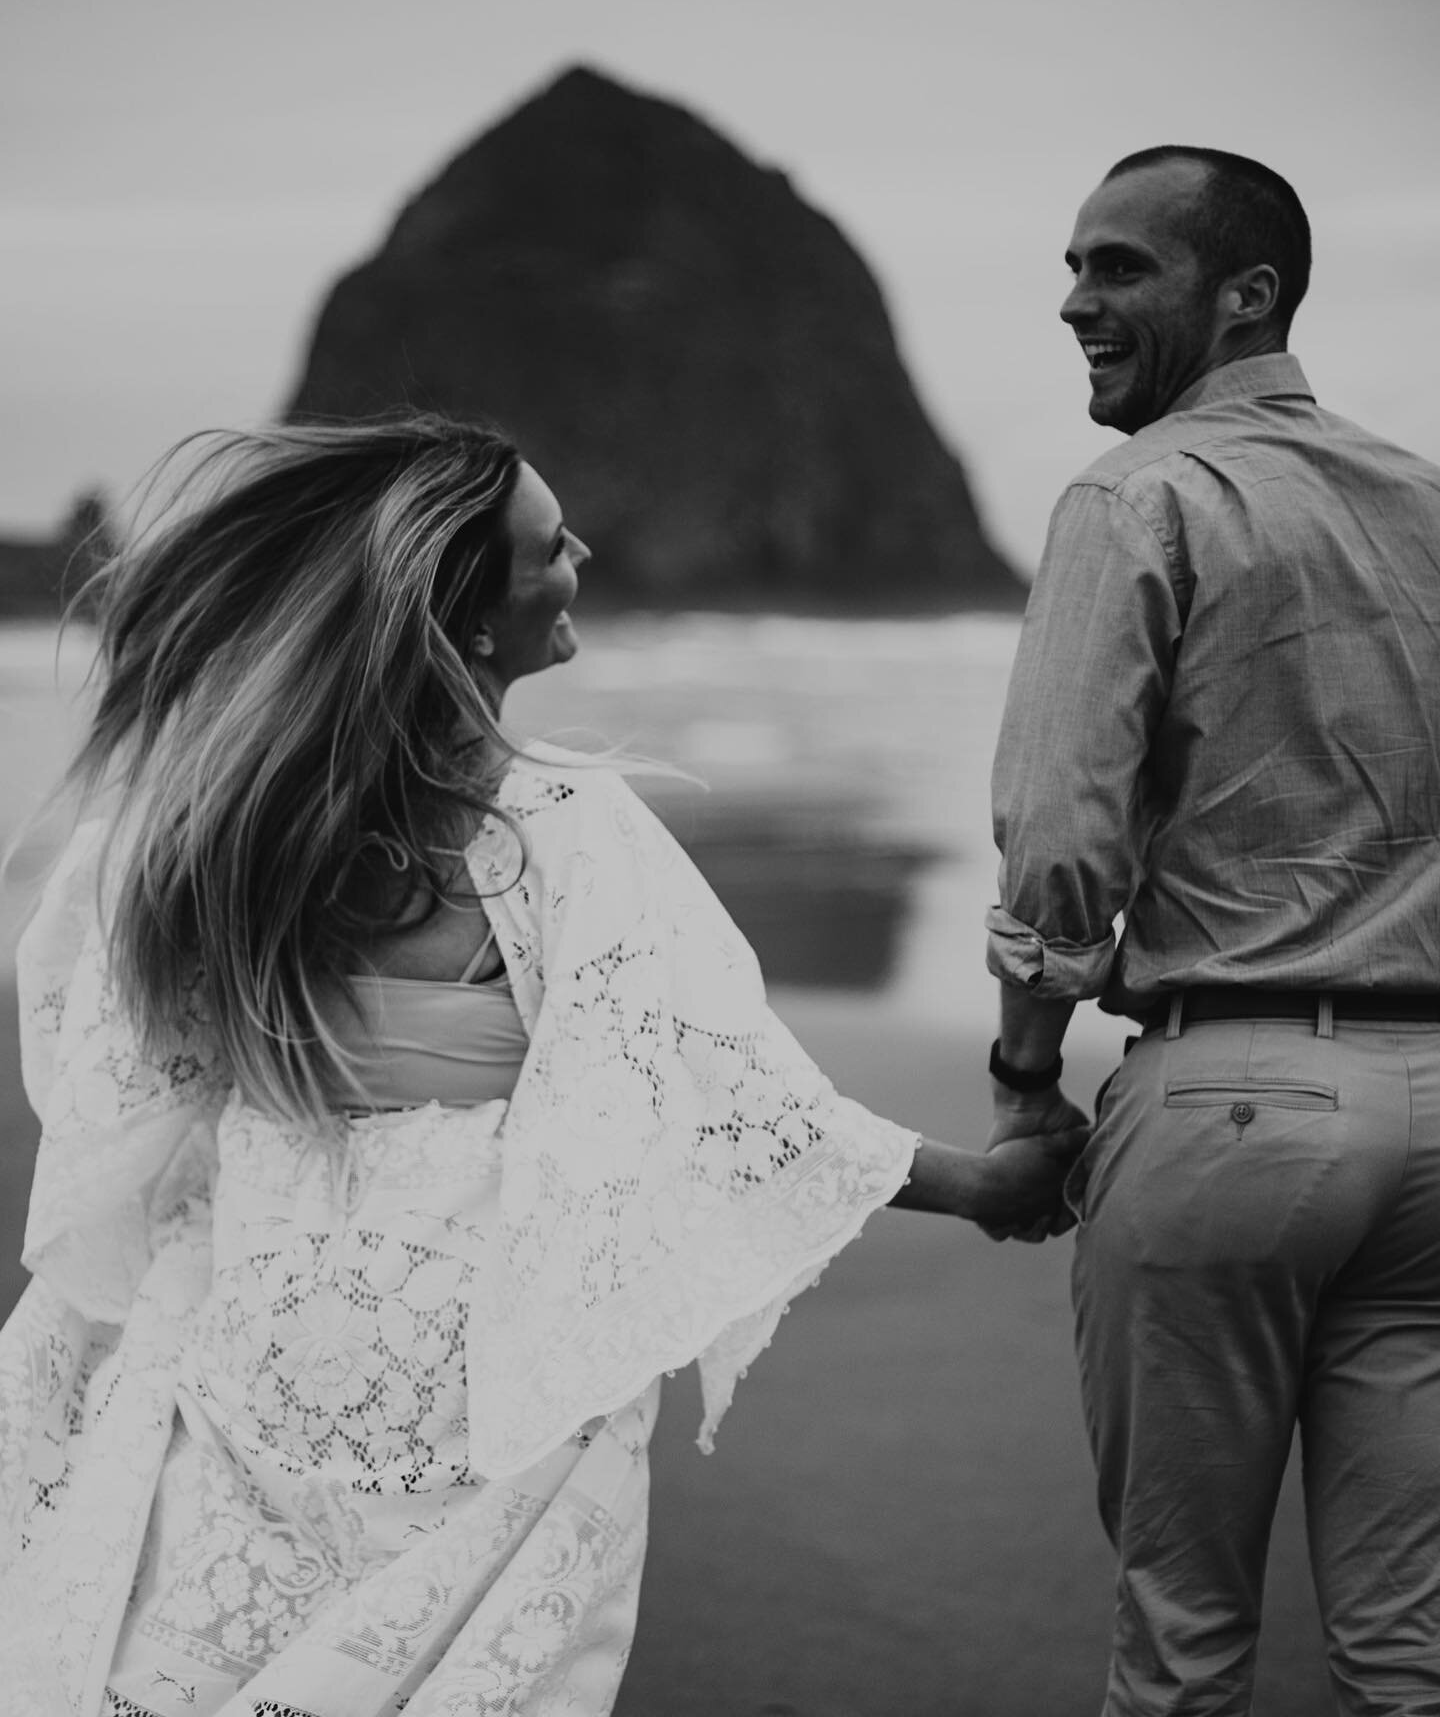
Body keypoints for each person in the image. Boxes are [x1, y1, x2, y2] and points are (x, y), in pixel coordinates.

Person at [0, 415, 1078, 1717]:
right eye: (544, 545)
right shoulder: (557, 831)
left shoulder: (214, 826)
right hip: (479, 1402)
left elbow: (99, 1061)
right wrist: (986, 1181)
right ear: (467, 620)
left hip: (264, 1353)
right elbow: (721, 1097)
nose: (581, 551)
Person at [984, 143, 1440, 1713]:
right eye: (1075, 267)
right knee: (1408, 1650)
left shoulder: (1142, 493)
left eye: (1120, 268)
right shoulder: (1432, 505)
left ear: (1249, 293)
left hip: (1236, 1100)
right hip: (1439, 1117)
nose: (1074, 302)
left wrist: (1027, 1079)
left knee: (1182, 1638)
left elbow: (1059, 834)